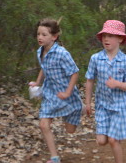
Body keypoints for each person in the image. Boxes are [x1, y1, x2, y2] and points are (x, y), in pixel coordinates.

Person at [29, 18, 83, 163]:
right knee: (43, 124)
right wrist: (37, 82)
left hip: (66, 94)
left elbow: (75, 73)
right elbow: (44, 67)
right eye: (38, 34)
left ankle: (78, 108)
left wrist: (67, 93)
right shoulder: (40, 51)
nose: (40, 37)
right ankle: (54, 158)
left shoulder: (62, 53)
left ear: (54, 36)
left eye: (44, 34)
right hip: (49, 93)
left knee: (70, 130)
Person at [85, 20, 126, 163]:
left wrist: (117, 84)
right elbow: (89, 80)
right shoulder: (95, 58)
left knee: (113, 140)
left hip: (120, 107)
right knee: (101, 141)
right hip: (102, 105)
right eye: (104, 36)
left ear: (120, 39)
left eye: (111, 36)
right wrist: (88, 103)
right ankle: (111, 134)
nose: (106, 39)